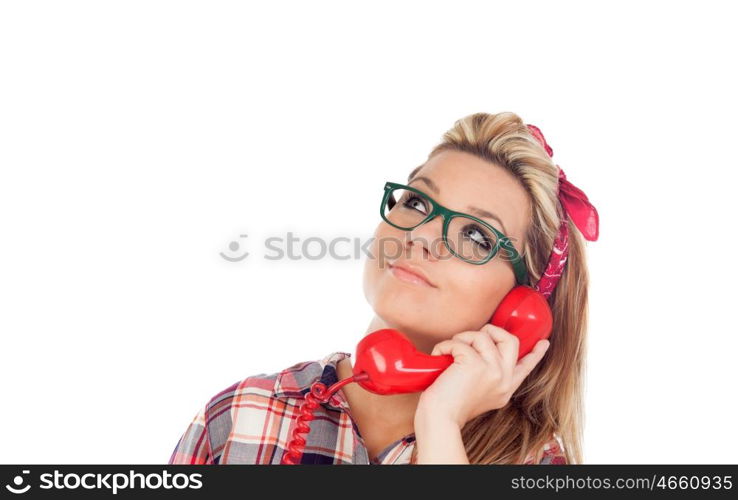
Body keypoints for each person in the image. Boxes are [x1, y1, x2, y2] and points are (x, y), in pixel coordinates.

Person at [168, 111, 599, 465]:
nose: (422, 236)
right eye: (416, 202)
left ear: (522, 305)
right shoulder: (241, 415)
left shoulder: (535, 464)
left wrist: (441, 423)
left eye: (477, 235)